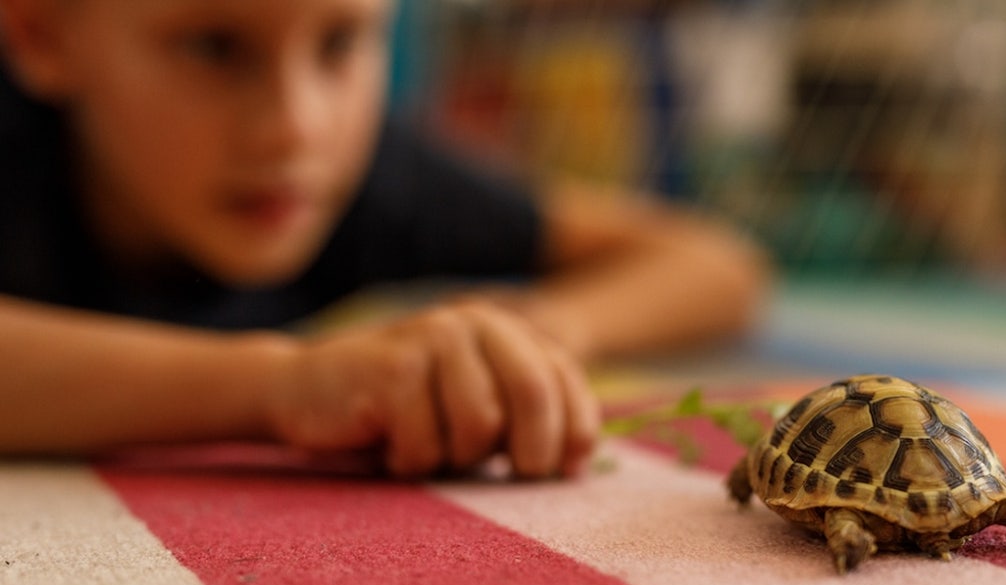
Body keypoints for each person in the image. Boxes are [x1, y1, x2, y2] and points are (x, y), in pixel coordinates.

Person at [0, 0, 768, 479]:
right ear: (38, 34)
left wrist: (534, 332)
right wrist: (281, 387)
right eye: (213, 46)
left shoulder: (364, 176)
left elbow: (716, 263)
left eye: (340, 43)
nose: (296, 126)